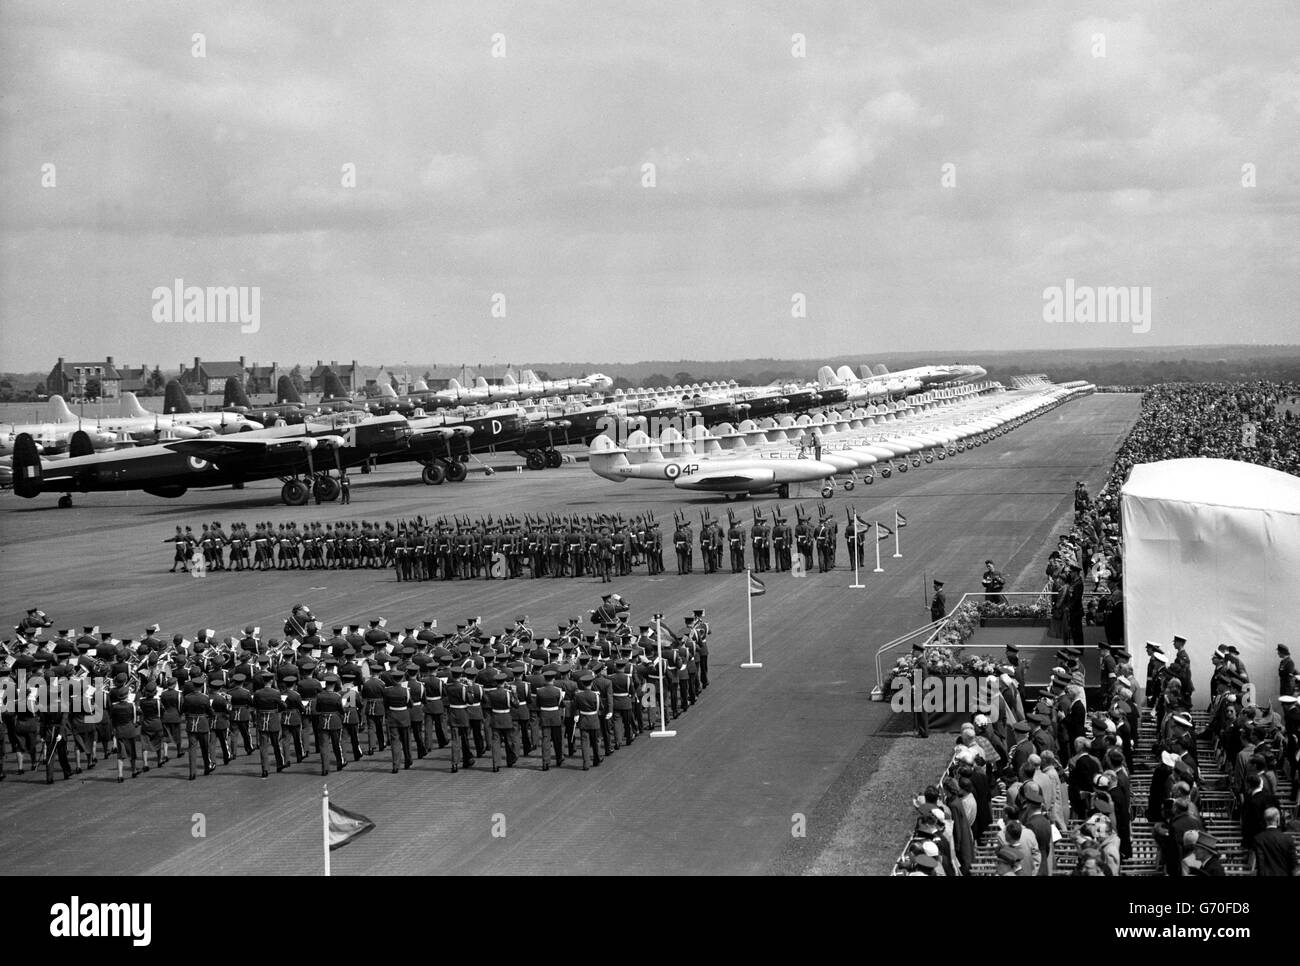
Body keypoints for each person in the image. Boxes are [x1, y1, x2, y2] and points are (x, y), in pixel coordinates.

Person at [1252, 807, 1296, 876]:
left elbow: (1260, 862)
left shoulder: (1258, 838)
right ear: (1277, 819)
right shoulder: (1288, 838)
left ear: (1265, 819)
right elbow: (1293, 863)